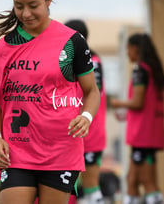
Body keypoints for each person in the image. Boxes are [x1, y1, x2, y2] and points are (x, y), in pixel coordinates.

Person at [0, 0, 100, 204]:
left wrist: (86, 117)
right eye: (19, 6)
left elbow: (91, 91)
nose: (26, 13)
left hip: (60, 151)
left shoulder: (72, 42)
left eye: (33, 5)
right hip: (16, 153)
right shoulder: (2, 49)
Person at [110, 33, 164, 204]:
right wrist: (127, 113)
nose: (127, 53)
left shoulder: (140, 70)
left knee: (148, 182)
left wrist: (118, 103)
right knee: (131, 180)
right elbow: (148, 104)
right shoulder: (153, 71)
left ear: (135, 48)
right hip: (149, 132)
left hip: (143, 135)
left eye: (128, 49)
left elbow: (138, 102)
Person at [65, 19, 107, 204]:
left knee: (90, 186)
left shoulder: (92, 62)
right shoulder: (79, 61)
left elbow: (91, 93)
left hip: (90, 132)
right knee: (70, 185)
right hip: (77, 132)